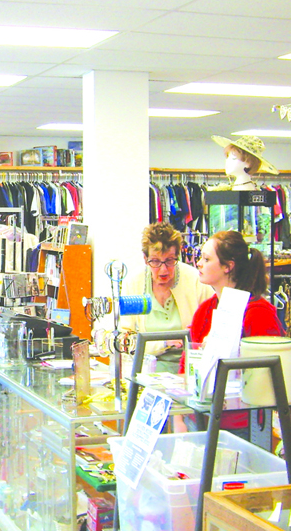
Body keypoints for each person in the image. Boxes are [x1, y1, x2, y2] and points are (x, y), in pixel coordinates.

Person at [185, 230, 282, 368]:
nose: (199, 263)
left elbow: (269, 369)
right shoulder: (205, 309)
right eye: (201, 258)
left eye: (206, 259)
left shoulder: (258, 313)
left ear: (228, 266)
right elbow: (187, 363)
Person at [121, 222, 211, 360]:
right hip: (148, 365)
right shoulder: (133, 283)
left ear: (178, 256)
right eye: (155, 262)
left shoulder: (195, 280)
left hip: (189, 364)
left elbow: (213, 330)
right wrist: (164, 343)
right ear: (145, 259)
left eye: (169, 261)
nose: (163, 270)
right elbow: (125, 339)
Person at [210, 134, 279, 190]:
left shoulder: (244, 188)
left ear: (248, 163)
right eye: (227, 157)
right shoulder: (238, 185)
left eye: (233, 158)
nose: (227, 161)